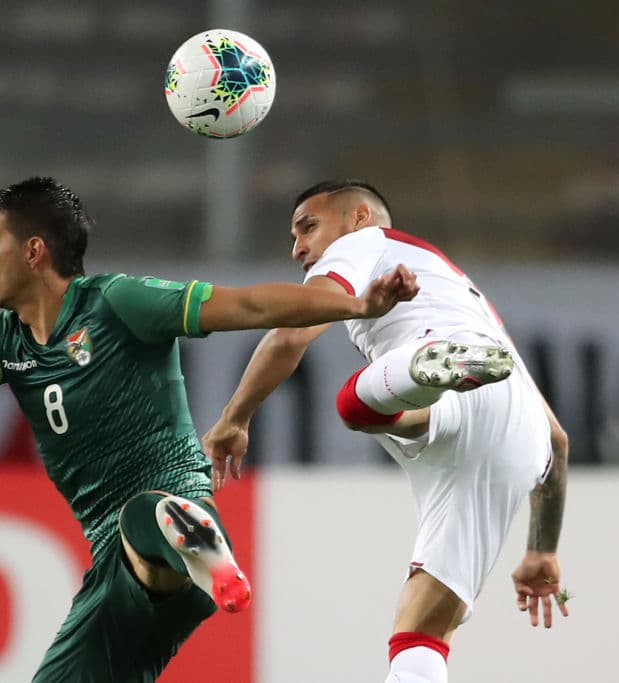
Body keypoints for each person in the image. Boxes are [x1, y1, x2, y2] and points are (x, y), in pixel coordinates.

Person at [0, 176, 419, 683]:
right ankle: (192, 547)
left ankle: (191, 535)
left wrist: (357, 304)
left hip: (170, 515)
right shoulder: (9, 341)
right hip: (114, 565)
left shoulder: (117, 302)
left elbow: (250, 306)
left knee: (143, 513)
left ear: (33, 251)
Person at [203, 179, 570, 683]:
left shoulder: (362, 244)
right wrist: (541, 550)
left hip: (449, 389)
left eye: (307, 227)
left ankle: (422, 372)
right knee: (421, 629)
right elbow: (556, 443)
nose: (297, 249)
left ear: (357, 218)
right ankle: (426, 376)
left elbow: (290, 332)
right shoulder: (470, 301)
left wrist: (234, 418)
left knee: (355, 406)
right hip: (516, 419)